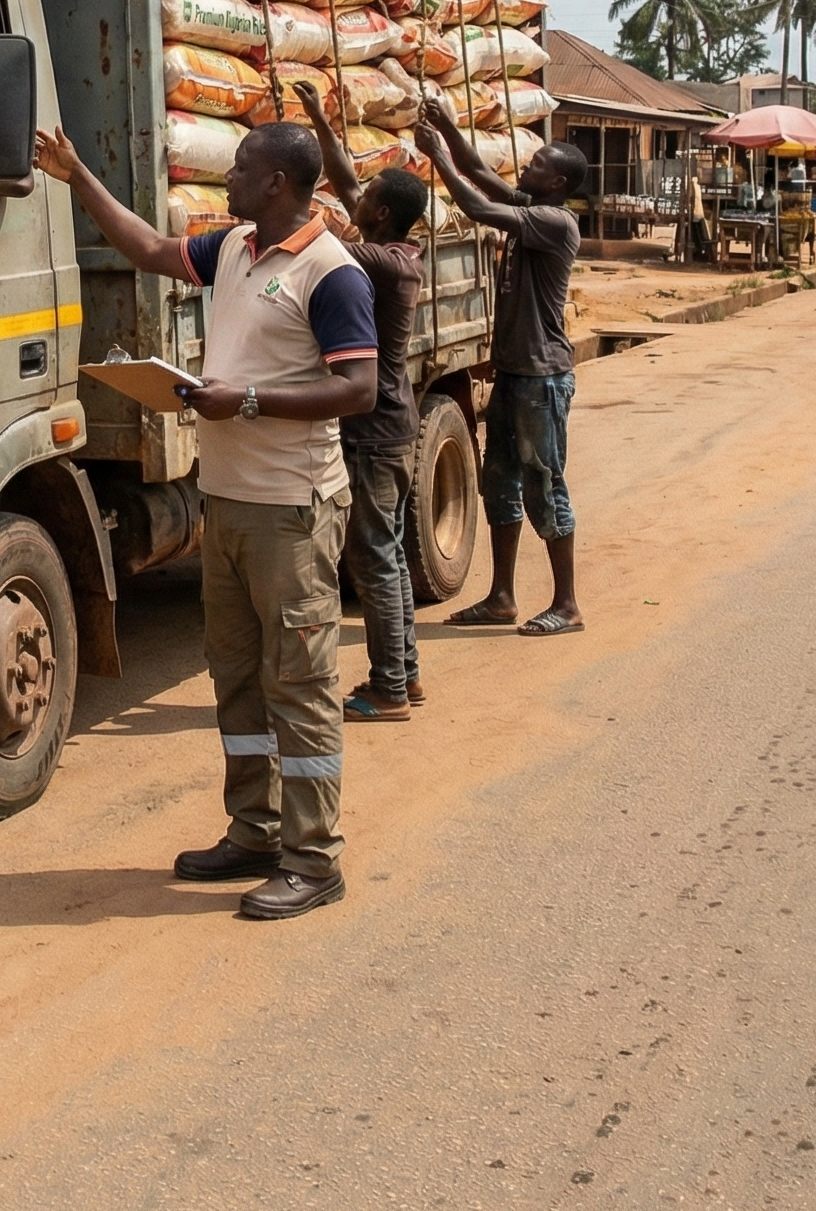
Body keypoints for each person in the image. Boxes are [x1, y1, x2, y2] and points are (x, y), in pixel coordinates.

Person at [35, 117, 377, 921]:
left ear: (277, 185)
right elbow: (151, 250)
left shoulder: (332, 273)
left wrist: (247, 400)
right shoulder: (232, 249)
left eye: (241, 167)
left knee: (300, 684)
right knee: (236, 679)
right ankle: (254, 831)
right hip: (227, 502)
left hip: (292, 510)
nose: (226, 177)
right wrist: (78, 172)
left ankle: (314, 857)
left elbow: (358, 390)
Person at [412, 98, 589, 637]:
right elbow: (483, 175)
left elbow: (479, 205)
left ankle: (567, 603)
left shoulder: (554, 223)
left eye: (537, 165)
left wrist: (436, 158)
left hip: (542, 377)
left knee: (544, 484)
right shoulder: (534, 208)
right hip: (515, 373)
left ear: (557, 182)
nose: (526, 168)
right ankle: (502, 596)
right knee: (500, 484)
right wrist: (447, 128)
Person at [293, 82, 433, 724]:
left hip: (376, 434)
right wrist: (322, 119)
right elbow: (349, 184)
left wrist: (290, 193)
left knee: (373, 556)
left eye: (368, 201)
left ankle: (388, 687)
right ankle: (406, 673)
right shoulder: (394, 245)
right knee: (393, 551)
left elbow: (324, 238)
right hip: (393, 428)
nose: (358, 201)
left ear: (380, 218)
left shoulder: (383, 262)